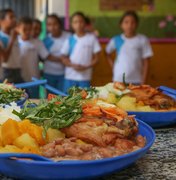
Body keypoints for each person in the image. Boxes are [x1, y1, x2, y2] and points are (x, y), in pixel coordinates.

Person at [18, 17, 61, 98]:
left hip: (34, 80)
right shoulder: (16, 41)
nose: (29, 32)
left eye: (39, 29)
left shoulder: (38, 42)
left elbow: (47, 56)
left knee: (34, 102)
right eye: (25, 29)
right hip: (20, 79)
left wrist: (63, 59)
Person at [106, 11, 153, 84]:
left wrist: (143, 81)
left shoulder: (142, 39)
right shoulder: (116, 39)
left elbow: (146, 62)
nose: (129, 25)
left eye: (133, 22)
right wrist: (113, 66)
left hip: (136, 80)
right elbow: (107, 52)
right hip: (118, 79)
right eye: (126, 22)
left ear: (137, 24)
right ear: (121, 24)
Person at [61, 12, 101, 92]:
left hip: (85, 77)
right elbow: (63, 57)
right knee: (67, 99)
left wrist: (86, 66)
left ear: (85, 23)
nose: (78, 24)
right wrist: (72, 65)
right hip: (70, 76)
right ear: (72, 24)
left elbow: (97, 58)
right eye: (75, 22)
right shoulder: (69, 39)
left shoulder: (92, 38)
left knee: (84, 101)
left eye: (81, 21)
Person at [43, 14, 70, 91]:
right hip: (49, 74)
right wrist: (63, 59)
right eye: (49, 25)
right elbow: (47, 56)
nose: (52, 27)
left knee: (63, 97)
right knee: (50, 98)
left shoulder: (68, 37)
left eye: (55, 24)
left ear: (60, 24)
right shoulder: (46, 40)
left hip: (64, 74)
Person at [0, 8, 23, 83]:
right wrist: (12, 40)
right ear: (1, 21)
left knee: (23, 93)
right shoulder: (1, 37)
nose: (14, 19)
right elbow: (5, 59)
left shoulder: (15, 34)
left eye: (14, 17)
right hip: (7, 72)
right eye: (11, 17)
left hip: (17, 70)